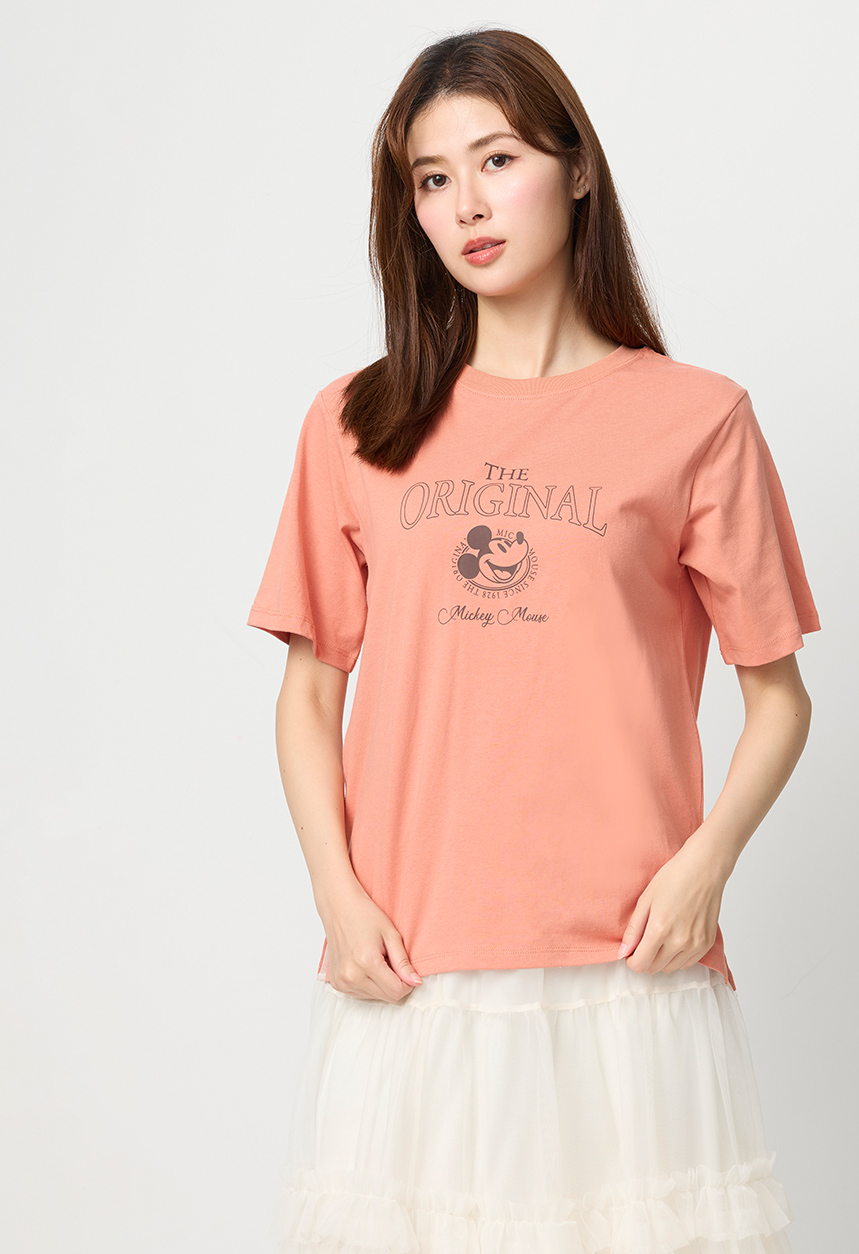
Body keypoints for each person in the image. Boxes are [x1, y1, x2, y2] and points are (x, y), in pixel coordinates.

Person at [247, 26, 820, 1254]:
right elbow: (309, 693)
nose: (464, 205)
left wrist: (707, 864)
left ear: (576, 169)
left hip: (629, 964)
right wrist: (336, 893)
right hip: (416, 965)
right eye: (431, 178)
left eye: (496, 159)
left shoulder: (696, 419)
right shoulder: (355, 423)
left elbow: (778, 696)